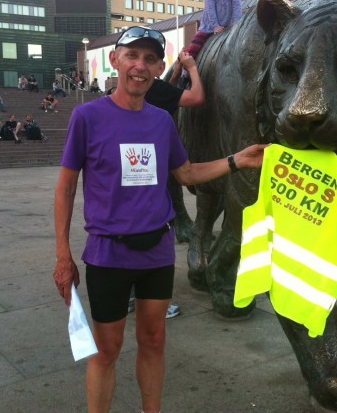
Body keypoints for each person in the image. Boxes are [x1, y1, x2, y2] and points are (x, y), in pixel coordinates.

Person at [53, 26, 267, 413]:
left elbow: (186, 173)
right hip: (108, 255)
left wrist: (240, 159)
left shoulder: (161, 121)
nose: (140, 65)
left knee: (154, 341)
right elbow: (66, 188)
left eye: (150, 58)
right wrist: (62, 254)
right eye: (132, 56)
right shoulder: (88, 118)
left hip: (156, 252)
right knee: (107, 350)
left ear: (159, 67)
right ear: (116, 60)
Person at [126, 47, 207, 319]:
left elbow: (166, 95)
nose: (141, 66)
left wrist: (175, 72)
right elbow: (196, 97)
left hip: (142, 163)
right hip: (154, 165)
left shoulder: (155, 93)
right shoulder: (159, 93)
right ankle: (148, 298)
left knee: (132, 227)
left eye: (149, 60)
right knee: (149, 230)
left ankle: (130, 294)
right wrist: (193, 68)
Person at [182, 0, 242, 84]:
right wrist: (215, 26)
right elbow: (210, 9)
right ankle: (185, 72)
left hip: (230, 24)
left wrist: (236, 24)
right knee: (195, 46)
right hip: (209, 25)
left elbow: (237, 5)